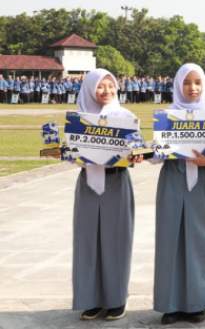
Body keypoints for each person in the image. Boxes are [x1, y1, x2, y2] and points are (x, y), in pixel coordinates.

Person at [152, 64, 205, 325]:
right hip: (173, 177)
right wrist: (154, 151)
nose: (192, 88)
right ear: (178, 85)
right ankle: (171, 304)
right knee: (171, 239)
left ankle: (198, 302)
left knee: (201, 240)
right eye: (186, 83)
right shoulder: (168, 114)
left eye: (197, 82)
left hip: (203, 180)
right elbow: (157, 154)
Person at [72, 69, 143, 321]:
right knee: (88, 242)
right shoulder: (80, 118)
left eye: (111, 86)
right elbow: (73, 151)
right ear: (90, 89)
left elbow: (136, 147)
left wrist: (136, 153)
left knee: (116, 241)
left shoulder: (125, 117)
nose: (106, 92)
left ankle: (116, 300)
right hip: (88, 184)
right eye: (100, 87)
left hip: (116, 182)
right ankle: (90, 300)